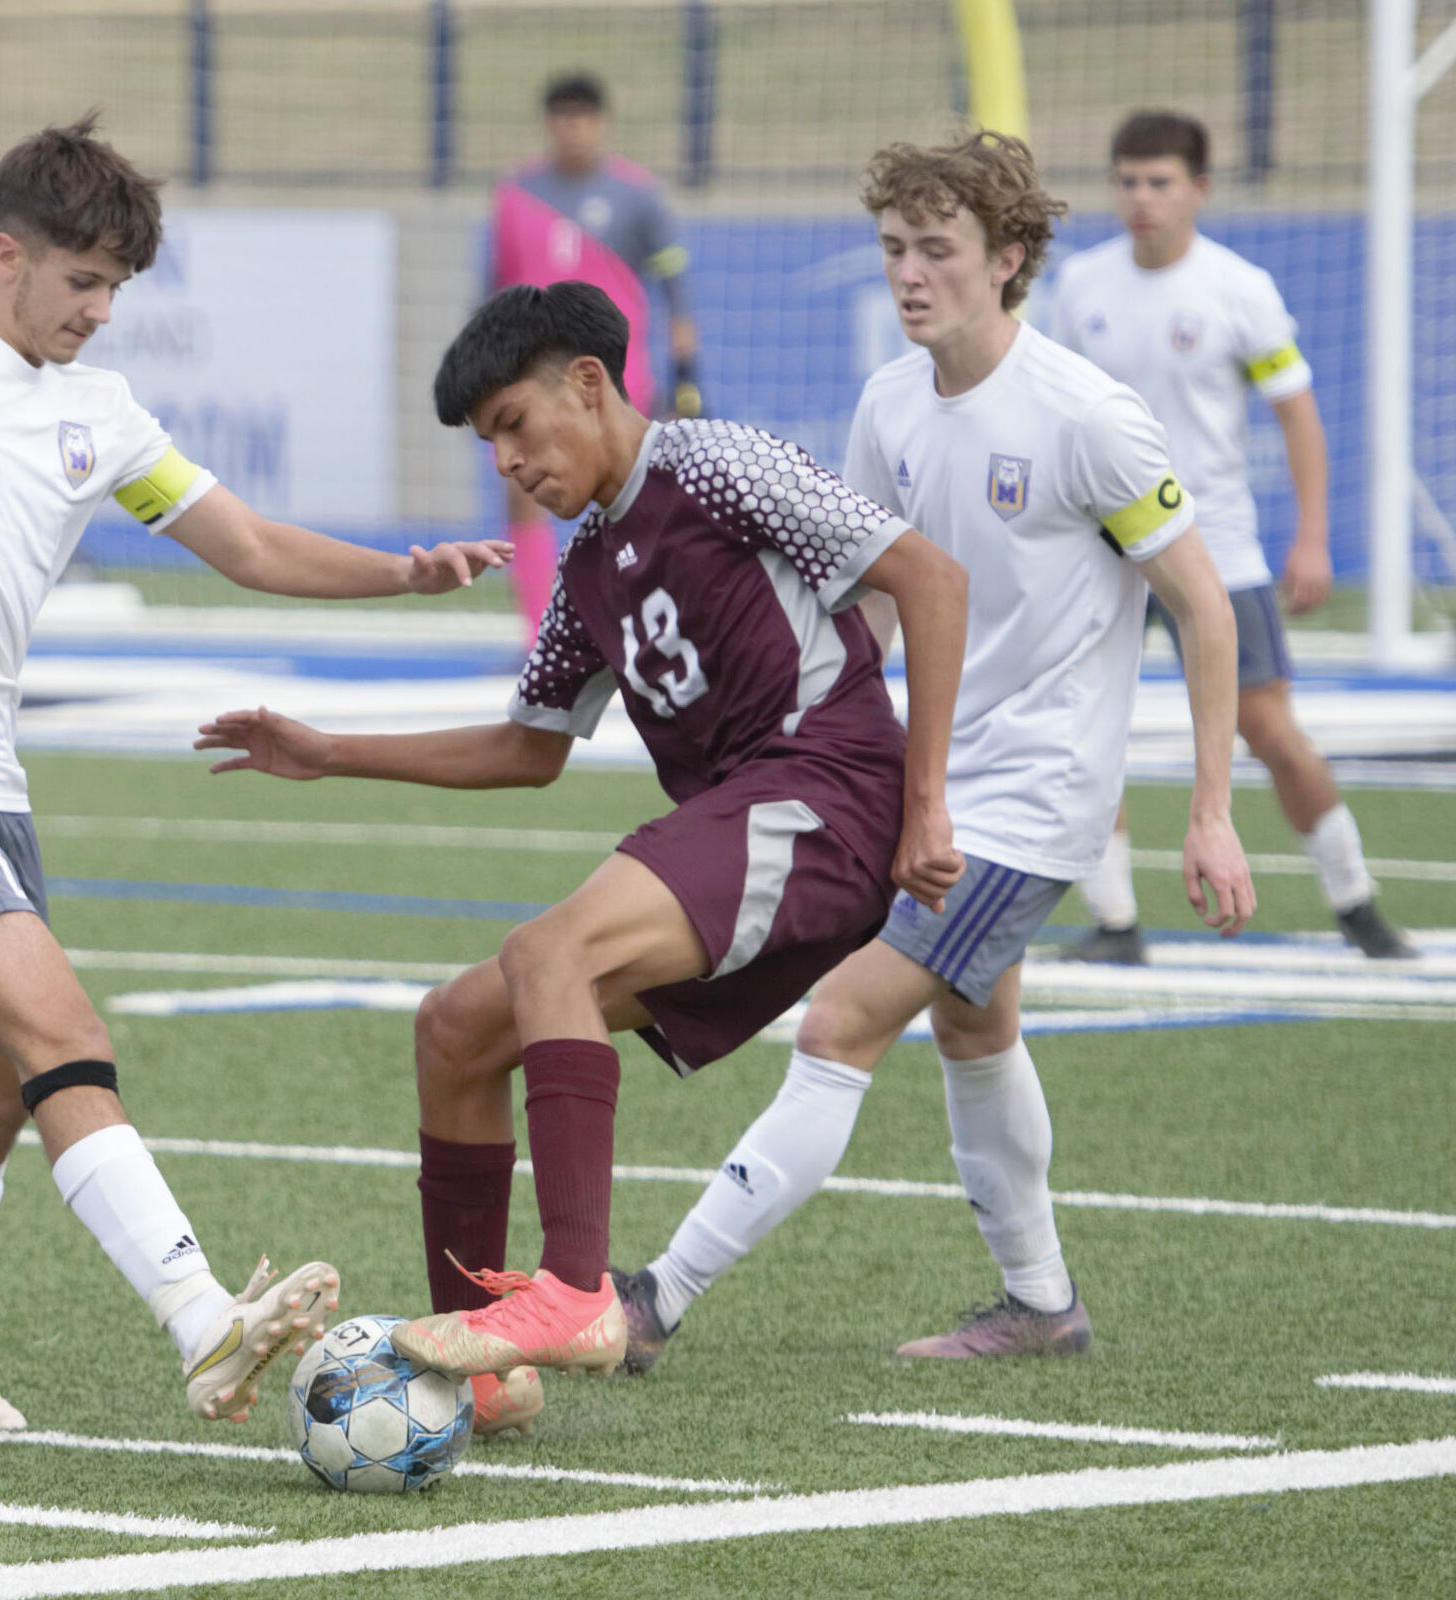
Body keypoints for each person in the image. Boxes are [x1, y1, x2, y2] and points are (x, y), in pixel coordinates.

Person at [0, 115, 510, 1431]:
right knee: (69, 1036)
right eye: (84, 282)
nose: (104, 312)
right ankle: (202, 1316)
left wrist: (406, 571)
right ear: (9, 255)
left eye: (118, 288)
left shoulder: (101, 414)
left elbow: (252, 548)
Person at [196, 280, 968, 1437]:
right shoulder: (588, 564)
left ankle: (572, 1292)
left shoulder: (713, 465)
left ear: (589, 384)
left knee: (545, 948)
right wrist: (331, 751)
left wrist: (925, 806)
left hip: (829, 795)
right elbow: (528, 749)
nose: (505, 460)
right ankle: (489, 1372)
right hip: (752, 826)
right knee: (455, 1025)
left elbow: (931, 578)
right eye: (487, 442)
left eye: (514, 423)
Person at [611, 132, 1256, 1373]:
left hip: (1038, 797)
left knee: (837, 1023)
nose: (910, 275)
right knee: (973, 1025)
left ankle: (653, 1300)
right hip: (938, 776)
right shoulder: (886, 403)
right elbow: (861, 596)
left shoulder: (1084, 418)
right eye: (894, 250)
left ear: (1008, 259)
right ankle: (1041, 1305)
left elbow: (1202, 604)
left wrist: (1210, 809)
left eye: (937, 251)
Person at [1049, 109, 1413, 963]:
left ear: (1199, 190)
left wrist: (1313, 538)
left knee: (1270, 731)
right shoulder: (1080, 287)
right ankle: (1115, 922)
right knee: (1086, 730)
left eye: (1160, 181)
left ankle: (1356, 903)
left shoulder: (1238, 288)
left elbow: (1299, 416)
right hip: (1100, 552)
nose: (1142, 198)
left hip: (1217, 547)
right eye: (1128, 181)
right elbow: (1053, 411)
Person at [490, 71, 699, 641]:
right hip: (531, 379)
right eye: (561, 117)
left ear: (601, 123)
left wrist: (687, 382)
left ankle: (647, 628)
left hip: (616, 381)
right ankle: (538, 634)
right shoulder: (514, 195)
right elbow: (496, 290)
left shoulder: (639, 195)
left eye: (583, 116)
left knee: (632, 502)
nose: (572, 129)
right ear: (548, 124)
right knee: (523, 491)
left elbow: (676, 291)